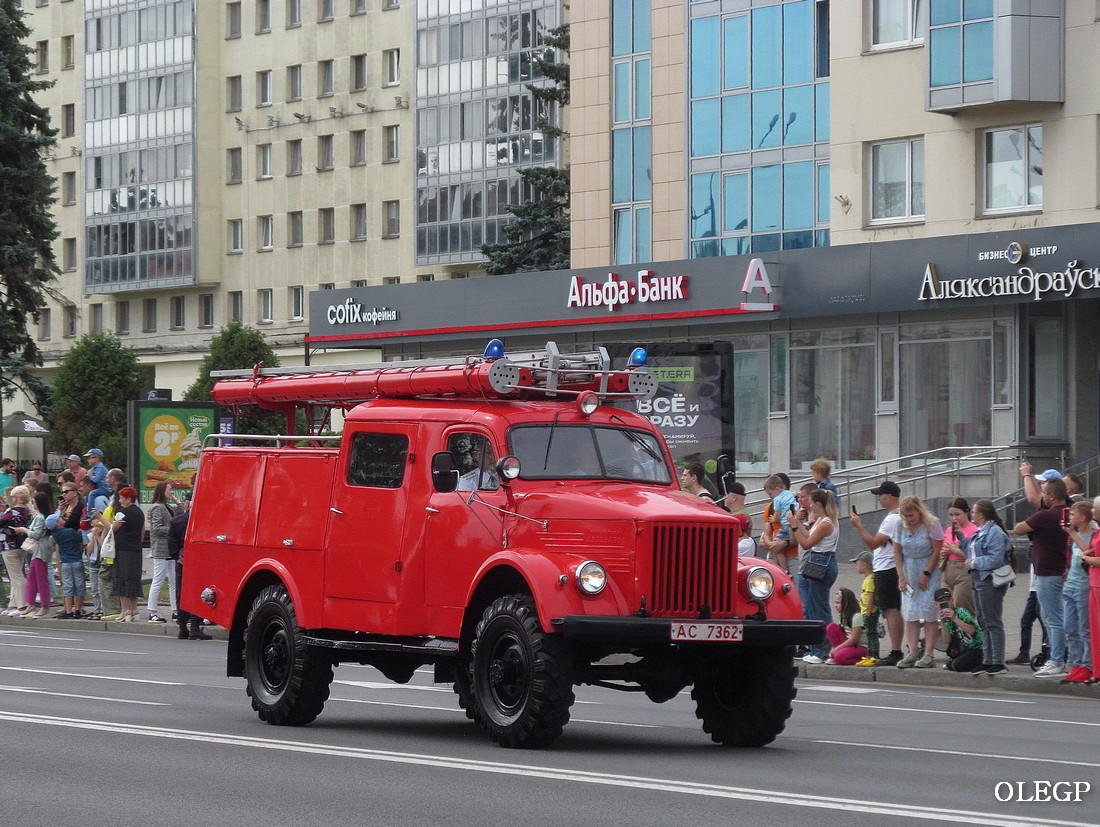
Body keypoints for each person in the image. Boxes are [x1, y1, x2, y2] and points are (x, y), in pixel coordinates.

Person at [1014, 475, 1070, 678]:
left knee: (1052, 619)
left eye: (1044, 493)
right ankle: (1069, 659)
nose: (1042, 497)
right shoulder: (1069, 513)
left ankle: (1056, 661)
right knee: (1065, 618)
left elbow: (1019, 529)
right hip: (1066, 571)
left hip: (1047, 572)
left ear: (1052, 496)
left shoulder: (1045, 516)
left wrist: (1033, 522)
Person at [956, 499, 1014, 676]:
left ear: (981, 514)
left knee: (992, 620)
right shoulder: (981, 531)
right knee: (983, 620)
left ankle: (998, 661)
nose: (971, 515)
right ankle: (987, 660)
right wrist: (961, 538)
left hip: (990, 580)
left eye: (973, 512)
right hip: (979, 579)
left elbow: (996, 558)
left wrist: (974, 563)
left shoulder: (994, 532)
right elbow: (972, 551)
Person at [850, 480, 905, 666]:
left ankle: (896, 651)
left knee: (891, 609)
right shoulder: (897, 516)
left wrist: (859, 526)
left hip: (887, 568)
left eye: (880, 495)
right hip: (889, 567)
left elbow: (873, 543)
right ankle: (896, 650)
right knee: (892, 609)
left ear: (890, 496)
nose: (879, 499)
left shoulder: (893, 518)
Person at [892, 495, 944, 668]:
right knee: (910, 612)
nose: (909, 520)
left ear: (919, 512)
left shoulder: (932, 524)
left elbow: (937, 550)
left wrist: (926, 573)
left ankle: (928, 654)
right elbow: (897, 551)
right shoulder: (900, 525)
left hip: (927, 567)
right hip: (908, 568)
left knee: (929, 612)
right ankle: (913, 652)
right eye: (906, 516)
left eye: (912, 516)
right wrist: (901, 576)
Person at [788, 488, 839, 663]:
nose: (808, 505)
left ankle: (824, 650)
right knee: (812, 606)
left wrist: (794, 525)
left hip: (822, 562)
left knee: (819, 608)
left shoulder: (826, 523)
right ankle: (818, 648)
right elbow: (809, 535)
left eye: (810, 501)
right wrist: (798, 523)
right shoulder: (820, 521)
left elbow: (807, 543)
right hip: (818, 562)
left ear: (817, 504)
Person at [1062, 501, 1095, 683]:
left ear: (1082, 518)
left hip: (1083, 587)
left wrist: (1072, 533)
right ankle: (1075, 663)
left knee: (1084, 629)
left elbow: (1088, 551)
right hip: (1071, 585)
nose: (1070, 518)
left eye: (1073, 515)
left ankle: (1087, 664)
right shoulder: (1073, 537)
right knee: (1070, 628)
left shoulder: (1092, 536)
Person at [169, 492, 210, 640]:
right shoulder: (202, 521)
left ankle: (182, 626)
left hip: (181, 561)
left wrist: (177, 556)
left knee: (182, 592)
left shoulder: (176, 521)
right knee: (197, 591)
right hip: (198, 561)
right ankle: (195, 626)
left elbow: (171, 544)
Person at [46, 483, 86, 619]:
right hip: (74, 554)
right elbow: (80, 534)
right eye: (62, 492)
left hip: (67, 556)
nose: (63, 494)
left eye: (66, 491)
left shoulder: (79, 507)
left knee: (69, 584)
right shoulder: (66, 525)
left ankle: (71, 609)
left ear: (75, 492)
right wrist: (60, 509)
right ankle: (75, 609)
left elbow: (70, 522)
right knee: (77, 583)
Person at [14, 491, 56, 617]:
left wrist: (24, 530)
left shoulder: (40, 517)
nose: (32, 505)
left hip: (40, 550)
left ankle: (44, 605)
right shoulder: (39, 516)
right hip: (37, 551)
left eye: (33, 502)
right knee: (31, 578)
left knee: (40, 579)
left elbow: (36, 534)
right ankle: (30, 604)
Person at [110, 486, 145, 622]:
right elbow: (142, 532)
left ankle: (125, 610)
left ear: (128, 498)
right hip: (136, 550)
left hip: (123, 550)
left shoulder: (122, 513)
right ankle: (135, 609)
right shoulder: (139, 512)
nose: (119, 501)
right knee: (133, 579)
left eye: (121, 498)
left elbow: (112, 529)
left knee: (121, 578)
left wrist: (100, 518)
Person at [78, 475, 111, 619]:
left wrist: (98, 536)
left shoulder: (104, 532)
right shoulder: (91, 534)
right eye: (93, 521)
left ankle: (103, 609)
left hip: (101, 561)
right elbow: (90, 549)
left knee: (101, 587)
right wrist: (92, 537)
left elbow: (104, 547)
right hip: (92, 562)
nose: (95, 524)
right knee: (95, 589)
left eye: (97, 520)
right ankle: (97, 609)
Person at [939, 497, 978, 617]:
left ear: (967, 512)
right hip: (948, 569)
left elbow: (974, 554)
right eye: (951, 515)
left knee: (962, 605)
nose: (954, 518)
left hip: (963, 570)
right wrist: (943, 552)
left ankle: (967, 632)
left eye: (957, 514)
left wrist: (955, 550)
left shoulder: (973, 530)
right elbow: (943, 548)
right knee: (945, 605)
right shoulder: (949, 529)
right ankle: (950, 634)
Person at [146, 480, 177, 623]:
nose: (172, 492)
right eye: (170, 489)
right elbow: (157, 529)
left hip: (169, 550)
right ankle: (152, 611)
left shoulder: (168, 506)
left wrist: (175, 499)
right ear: (162, 491)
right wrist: (173, 531)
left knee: (173, 581)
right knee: (158, 580)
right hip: (161, 550)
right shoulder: (158, 508)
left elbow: (183, 511)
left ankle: (175, 609)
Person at [935, 587, 984, 673]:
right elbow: (947, 641)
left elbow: (972, 631)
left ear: (952, 600)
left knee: (957, 665)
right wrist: (943, 622)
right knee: (950, 664)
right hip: (967, 649)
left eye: (948, 600)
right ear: (936, 604)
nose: (946, 603)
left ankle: (981, 664)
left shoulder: (961, 612)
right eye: (941, 601)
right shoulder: (946, 618)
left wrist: (954, 618)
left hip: (978, 647)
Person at [1, 484, 32, 616]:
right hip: (21, 545)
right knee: (16, 575)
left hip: (9, 545)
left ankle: (22, 605)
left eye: (13, 497)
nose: (12, 499)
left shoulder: (12, 511)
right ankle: (13, 604)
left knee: (16, 576)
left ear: (18, 498)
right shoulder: (27, 511)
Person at [1080, 495, 1100, 685]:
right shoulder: (1098, 532)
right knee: (1095, 630)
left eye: (1094, 508)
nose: (1092, 511)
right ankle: (1097, 670)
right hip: (1094, 583)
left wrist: (1086, 559)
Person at [762, 474, 798, 575]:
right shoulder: (769, 507)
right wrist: (772, 545)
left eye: (770, 493)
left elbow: (802, 530)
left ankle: (784, 570)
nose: (770, 496)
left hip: (793, 555)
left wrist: (783, 543)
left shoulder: (795, 504)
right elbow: (766, 533)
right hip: (774, 551)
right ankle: (783, 570)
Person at [850, 550, 880, 666]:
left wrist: (868, 611)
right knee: (869, 633)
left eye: (857, 564)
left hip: (870, 612)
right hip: (866, 611)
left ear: (864, 564)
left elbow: (870, 597)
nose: (856, 567)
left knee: (871, 634)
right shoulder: (868, 579)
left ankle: (874, 656)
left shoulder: (870, 580)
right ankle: (869, 655)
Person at [825, 587, 867, 665]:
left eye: (838, 603)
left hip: (861, 646)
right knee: (831, 627)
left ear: (846, 604)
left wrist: (837, 649)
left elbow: (854, 639)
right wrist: (833, 649)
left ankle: (860, 659)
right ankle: (840, 654)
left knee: (840, 658)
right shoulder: (844, 616)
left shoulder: (857, 617)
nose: (835, 605)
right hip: (851, 644)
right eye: (835, 602)